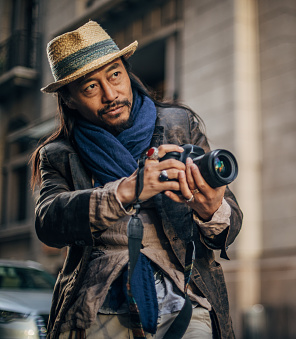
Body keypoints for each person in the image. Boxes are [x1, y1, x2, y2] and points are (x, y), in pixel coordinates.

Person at [31, 21, 242, 339]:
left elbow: (230, 226)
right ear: (70, 99)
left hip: (185, 295)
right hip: (98, 304)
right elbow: (48, 222)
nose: (110, 94)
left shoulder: (179, 124)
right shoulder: (58, 153)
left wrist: (213, 209)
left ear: (127, 72)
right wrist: (125, 191)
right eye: (91, 87)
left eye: (115, 75)